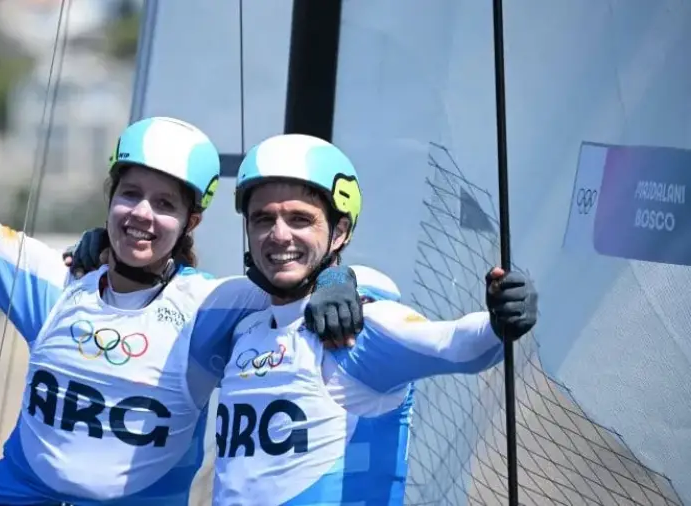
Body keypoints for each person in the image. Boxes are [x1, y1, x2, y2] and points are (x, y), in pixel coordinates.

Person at [0, 2, 397, 505]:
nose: (142, 214)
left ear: (191, 222)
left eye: (165, 204)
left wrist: (341, 279)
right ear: (109, 198)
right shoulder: (54, 282)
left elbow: (308, 278)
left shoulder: (211, 308)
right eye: (130, 194)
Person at [206, 133, 538, 505]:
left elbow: (457, 345)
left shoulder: (361, 327)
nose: (279, 235)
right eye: (263, 219)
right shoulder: (245, 327)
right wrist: (340, 276)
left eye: (300, 219)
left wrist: (500, 321)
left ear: (339, 232)